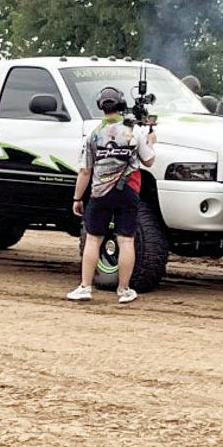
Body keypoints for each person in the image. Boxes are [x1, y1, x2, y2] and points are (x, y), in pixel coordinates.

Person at [66, 87, 156, 305]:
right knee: (126, 240)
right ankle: (124, 290)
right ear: (121, 105)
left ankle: (85, 287)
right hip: (128, 191)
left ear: (101, 106)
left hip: (99, 193)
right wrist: (151, 141)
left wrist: (77, 198)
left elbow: (85, 171)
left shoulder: (94, 134)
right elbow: (149, 161)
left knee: (94, 239)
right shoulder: (135, 131)